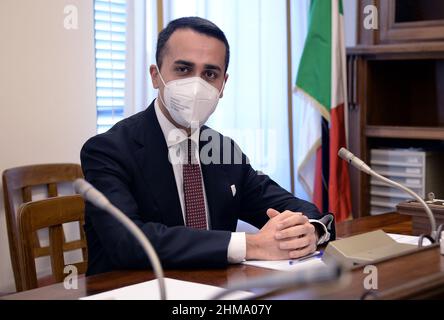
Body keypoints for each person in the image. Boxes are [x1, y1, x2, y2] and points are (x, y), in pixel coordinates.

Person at [81, 16, 335, 276]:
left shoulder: (223, 150)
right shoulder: (107, 150)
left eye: (210, 74)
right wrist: (252, 245)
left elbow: (296, 208)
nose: (196, 85)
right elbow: (128, 243)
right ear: (155, 76)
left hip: (215, 291)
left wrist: (310, 230)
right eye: (183, 69)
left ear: (223, 84)